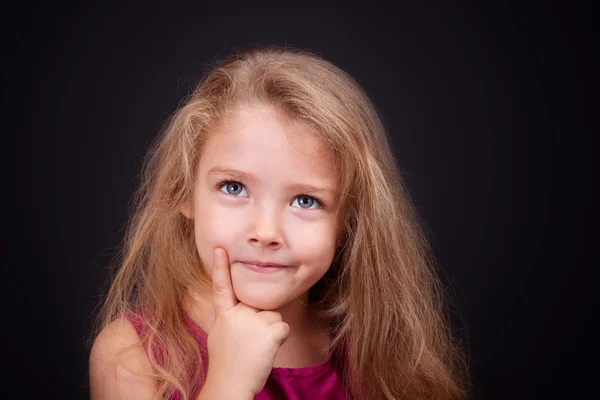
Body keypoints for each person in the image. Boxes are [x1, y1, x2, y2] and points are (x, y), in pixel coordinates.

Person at [88, 45, 469, 399]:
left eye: (306, 200)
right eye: (234, 187)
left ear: (348, 220)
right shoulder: (133, 355)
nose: (266, 232)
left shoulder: (379, 355)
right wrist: (227, 383)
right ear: (184, 192)